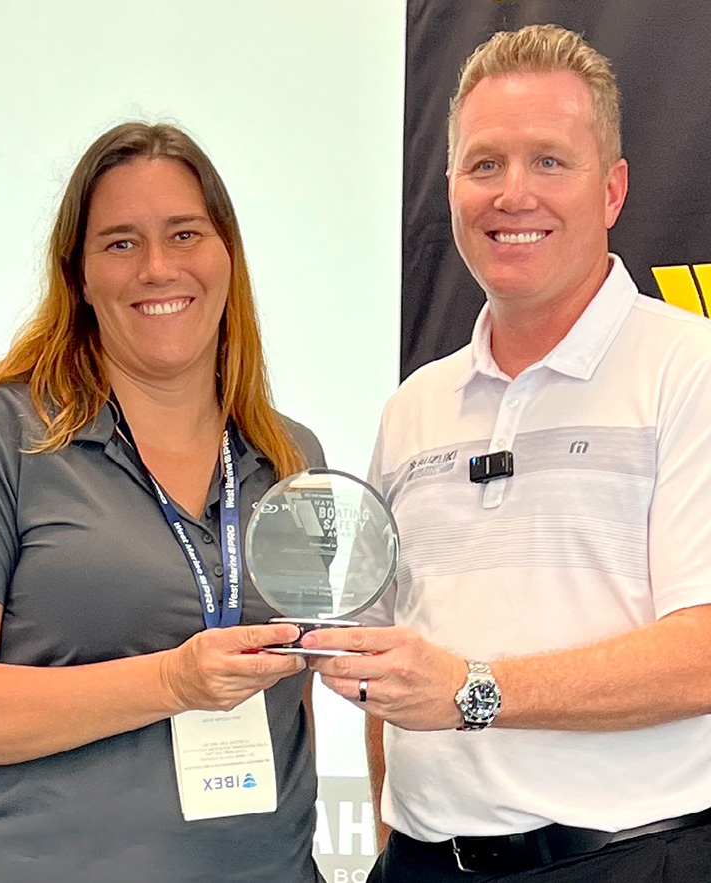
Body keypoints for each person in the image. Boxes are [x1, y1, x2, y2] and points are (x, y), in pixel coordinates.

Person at [301, 24, 711, 882]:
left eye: (549, 162)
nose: (511, 194)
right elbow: (389, 654)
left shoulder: (689, 369)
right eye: (484, 164)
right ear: (448, 184)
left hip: (628, 858)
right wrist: (390, 833)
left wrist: (471, 688)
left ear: (613, 190)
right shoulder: (414, 407)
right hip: (419, 862)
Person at [0, 122, 326, 883]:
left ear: (227, 255)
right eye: (121, 243)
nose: (158, 268)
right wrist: (172, 681)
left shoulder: (290, 461)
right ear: (79, 275)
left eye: (184, 233)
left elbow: (293, 712)